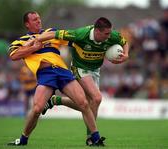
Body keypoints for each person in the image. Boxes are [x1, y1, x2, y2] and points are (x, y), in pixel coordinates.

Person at [7, 11, 105, 146]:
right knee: (36, 109)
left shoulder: (50, 32)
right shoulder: (21, 40)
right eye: (35, 19)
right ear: (27, 24)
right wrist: (33, 47)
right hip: (45, 74)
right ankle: (23, 140)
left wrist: (92, 40)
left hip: (62, 71)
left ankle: (96, 138)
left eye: (39, 18)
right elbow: (14, 55)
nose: (38, 21)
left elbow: (72, 39)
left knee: (84, 103)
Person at [34, 17, 129, 145]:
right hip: (80, 68)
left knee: (88, 105)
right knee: (96, 98)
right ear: (97, 31)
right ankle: (92, 138)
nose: (109, 36)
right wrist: (35, 40)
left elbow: (124, 42)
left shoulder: (112, 36)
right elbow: (54, 34)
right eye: (106, 34)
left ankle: (56, 100)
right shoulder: (80, 34)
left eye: (109, 33)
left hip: (95, 70)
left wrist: (126, 55)